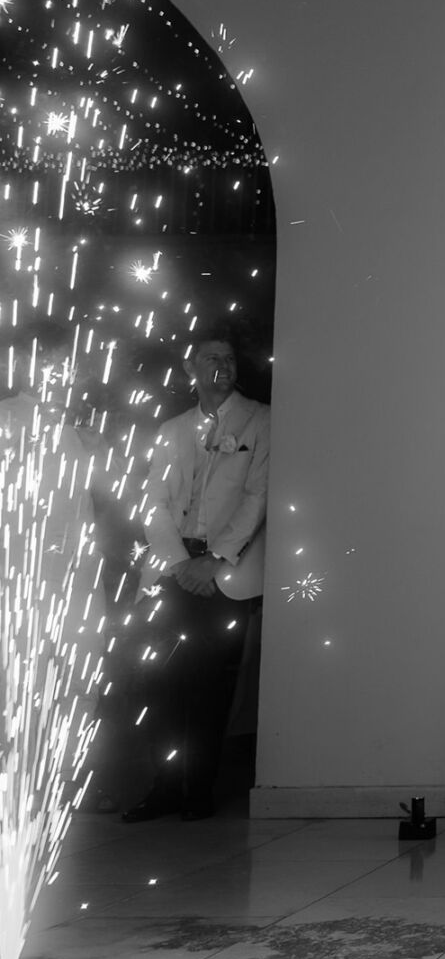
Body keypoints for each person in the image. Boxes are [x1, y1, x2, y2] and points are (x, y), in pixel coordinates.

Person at [127, 328, 271, 823]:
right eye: (212, 358)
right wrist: (176, 562)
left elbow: (257, 497)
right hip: (172, 570)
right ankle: (163, 786)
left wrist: (214, 561)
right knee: (161, 681)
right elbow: (154, 501)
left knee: (210, 686)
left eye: (229, 358)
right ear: (191, 368)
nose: (224, 366)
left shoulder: (261, 421)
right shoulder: (170, 430)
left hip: (223, 572)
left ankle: (199, 790)